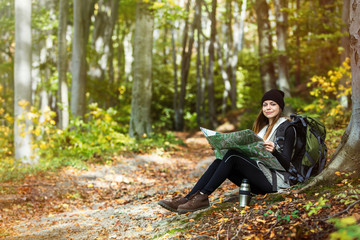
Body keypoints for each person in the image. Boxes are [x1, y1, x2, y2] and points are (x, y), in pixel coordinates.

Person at [158, 89, 296, 214]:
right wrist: (220, 146)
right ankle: (188, 198)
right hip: (258, 179)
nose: (268, 108)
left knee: (233, 156)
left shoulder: (287, 127)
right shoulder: (263, 129)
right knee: (220, 160)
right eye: (265, 104)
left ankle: (203, 196)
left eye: (272, 104)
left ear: (280, 107)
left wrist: (274, 151)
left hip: (275, 182)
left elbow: (286, 164)